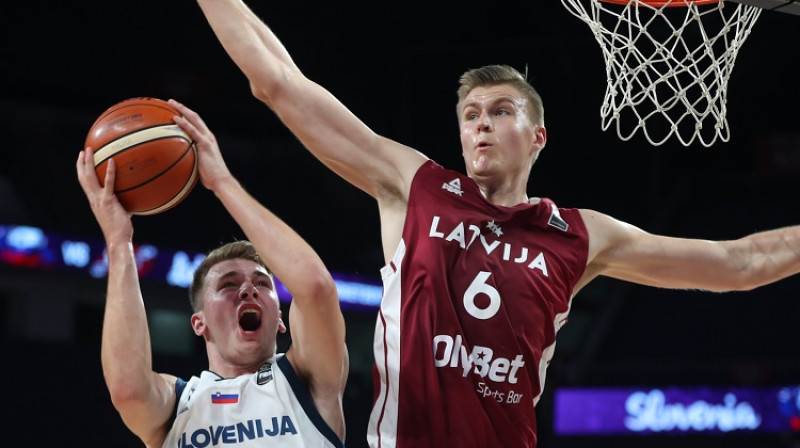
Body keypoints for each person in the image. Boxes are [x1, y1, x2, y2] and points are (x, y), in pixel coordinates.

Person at [192, 1, 800, 446]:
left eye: (500, 111)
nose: (480, 124)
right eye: (471, 114)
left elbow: (739, 264)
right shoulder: (417, 186)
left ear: (537, 137)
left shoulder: (581, 235)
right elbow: (277, 83)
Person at [76, 100, 349, 448]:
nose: (248, 291)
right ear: (199, 322)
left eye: (262, 283)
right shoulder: (178, 404)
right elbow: (128, 389)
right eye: (228, 284)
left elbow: (315, 287)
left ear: (281, 320)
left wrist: (222, 182)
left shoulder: (307, 380)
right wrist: (118, 242)